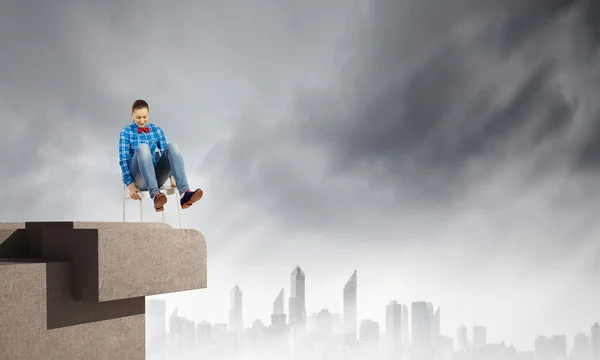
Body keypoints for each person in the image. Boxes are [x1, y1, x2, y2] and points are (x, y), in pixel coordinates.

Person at [119, 99, 203, 212]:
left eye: (144, 117)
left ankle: (184, 193)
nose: (142, 121)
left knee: (172, 146)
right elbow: (124, 160)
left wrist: (172, 176)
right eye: (138, 118)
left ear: (148, 114)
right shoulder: (126, 131)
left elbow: (168, 155)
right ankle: (155, 195)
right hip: (138, 179)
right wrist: (130, 185)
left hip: (156, 177)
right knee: (143, 147)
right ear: (132, 115)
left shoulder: (156, 130)